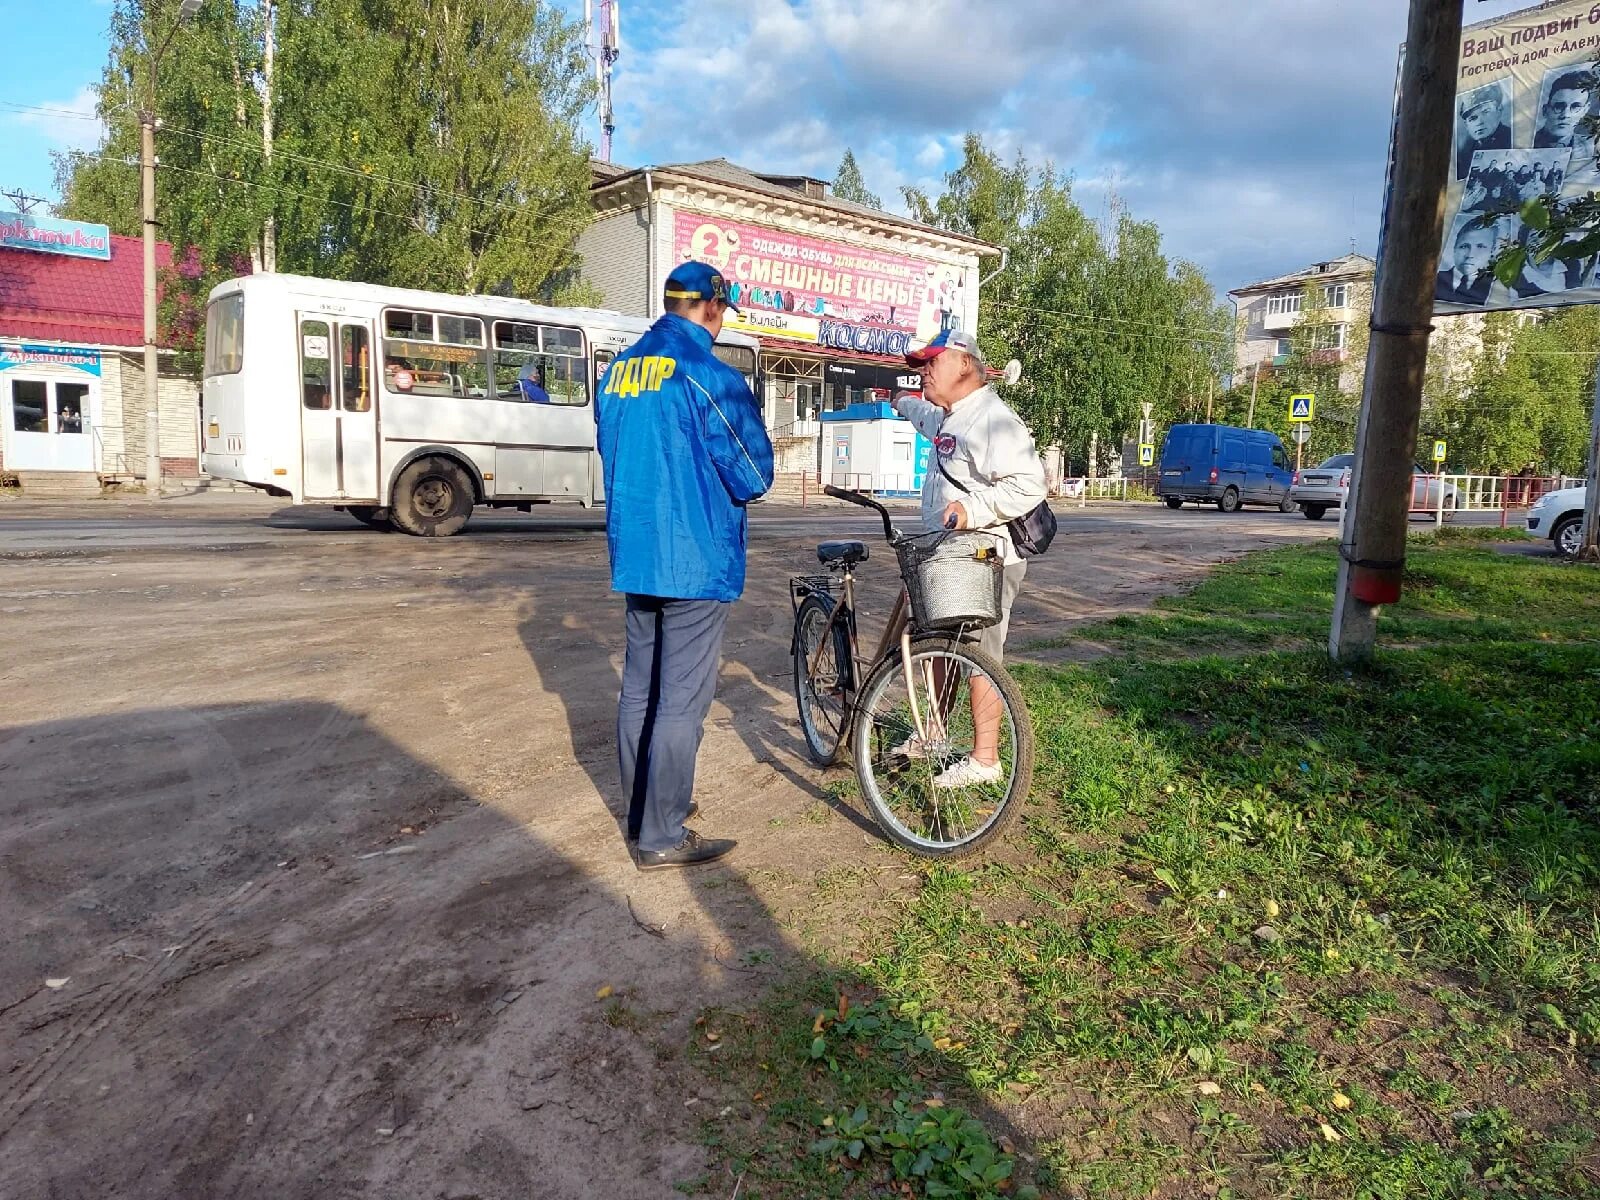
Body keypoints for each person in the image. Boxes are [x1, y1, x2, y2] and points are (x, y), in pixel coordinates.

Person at [595, 261, 774, 870]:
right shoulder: (708, 375)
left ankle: (645, 809)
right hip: (693, 557)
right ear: (712, 308)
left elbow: (612, 447)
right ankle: (663, 835)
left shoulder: (617, 372)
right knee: (681, 700)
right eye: (723, 312)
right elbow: (754, 475)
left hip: (637, 551)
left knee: (639, 688)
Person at [890, 327, 1047, 788]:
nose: (923, 373)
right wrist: (900, 402)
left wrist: (971, 508)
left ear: (963, 363)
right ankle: (934, 734)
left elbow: (1030, 484)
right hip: (955, 557)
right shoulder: (952, 415)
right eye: (919, 366)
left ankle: (985, 758)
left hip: (989, 556)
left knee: (979, 653)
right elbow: (928, 422)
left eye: (930, 363)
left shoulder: (993, 420)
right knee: (942, 645)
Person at [1456, 86, 1511, 178]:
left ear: (1499, 110)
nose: (1479, 122)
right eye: (1472, 118)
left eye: (1486, 112)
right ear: (1466, 125)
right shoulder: (1466, 152)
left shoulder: (1511, 138)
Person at [1436, 223, 1496, 306]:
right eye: (1464, 246)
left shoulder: (1497, 285)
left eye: (1480, 246)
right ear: (1455, 248)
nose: (1470, 255)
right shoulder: (1434, 279)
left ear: (1492, 251)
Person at [1536, 71, 1594, 147]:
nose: (1565, 115)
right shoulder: (1527, 142)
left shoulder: (1591, 145)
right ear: (1545, 110)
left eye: (1575, 106)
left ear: (1585, 110)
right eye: (1559, 106)